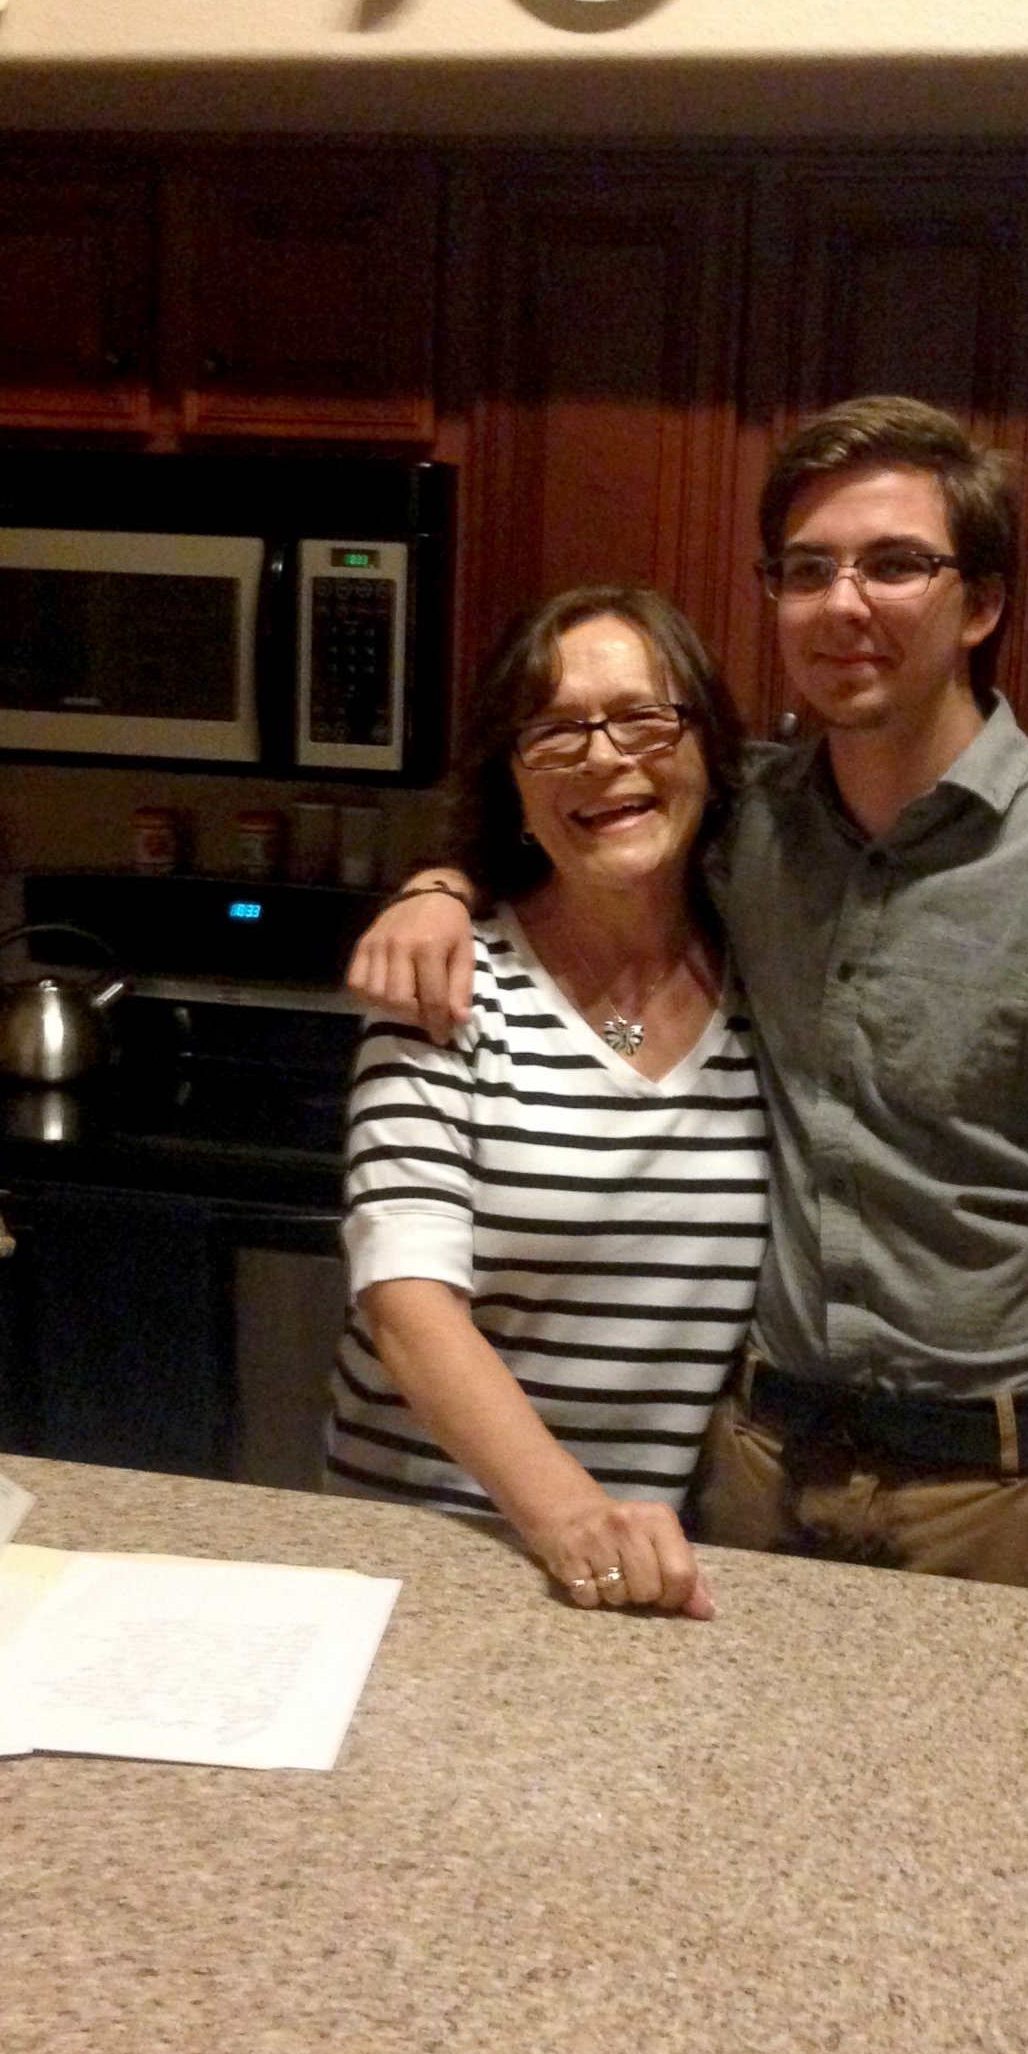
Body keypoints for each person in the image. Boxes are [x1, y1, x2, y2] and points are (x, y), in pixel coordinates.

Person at [350, 398, 1028, 1684]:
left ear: (985, 603)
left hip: (1000, 1499)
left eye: (897, 563)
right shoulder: (745, 825)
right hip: (755, 1476)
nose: (844, 603)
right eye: (807, 569)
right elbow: (583, 800)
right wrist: (441, 882)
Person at [326, 584, 764, 1620]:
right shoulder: (445, 986)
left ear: (706, 744)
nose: (607, 757)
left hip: (658, 1569)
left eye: (643, 717)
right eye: (556, 733)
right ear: (514, 790)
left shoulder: (768, 979)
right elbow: (406, 1305)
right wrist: (576, 1520)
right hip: (438, 1548)